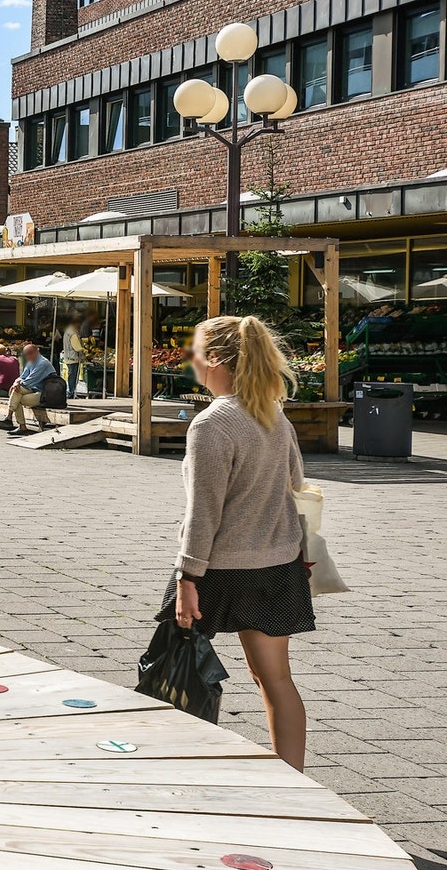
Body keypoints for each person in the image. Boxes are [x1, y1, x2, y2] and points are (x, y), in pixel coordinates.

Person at [163, 315, 312, 770]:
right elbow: (296, 483)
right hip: (277, 564)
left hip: (216, 570)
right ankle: (293, 782)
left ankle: (175, 766)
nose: (190, 361)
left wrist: (188, 577)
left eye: (193, 352)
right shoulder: (274, 414)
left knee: (175, 671)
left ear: (215, 361)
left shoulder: (212, 423)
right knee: (276, 680)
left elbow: (203, 512)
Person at [5, 342, 54, 436]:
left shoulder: (42, 363)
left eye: (30, 353)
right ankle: (17, 423)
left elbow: (30, 380)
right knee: (16, 392)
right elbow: (22, 377)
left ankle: (11, 418)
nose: (28, 356)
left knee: (17, 396)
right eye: (26, 354)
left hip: (44, 394)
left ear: (37, 351)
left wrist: (17, 384)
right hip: (32, 390)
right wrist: (16, 382)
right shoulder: (30, 362)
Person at [61, 316, 86, 397]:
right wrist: (84, 350)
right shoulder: (73, 333)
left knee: (71, 375)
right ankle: (71, 392)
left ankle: (71, 392)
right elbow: (77, 347)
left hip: (68, 357)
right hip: (73, 358)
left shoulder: (68, 331)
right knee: (73, 376)